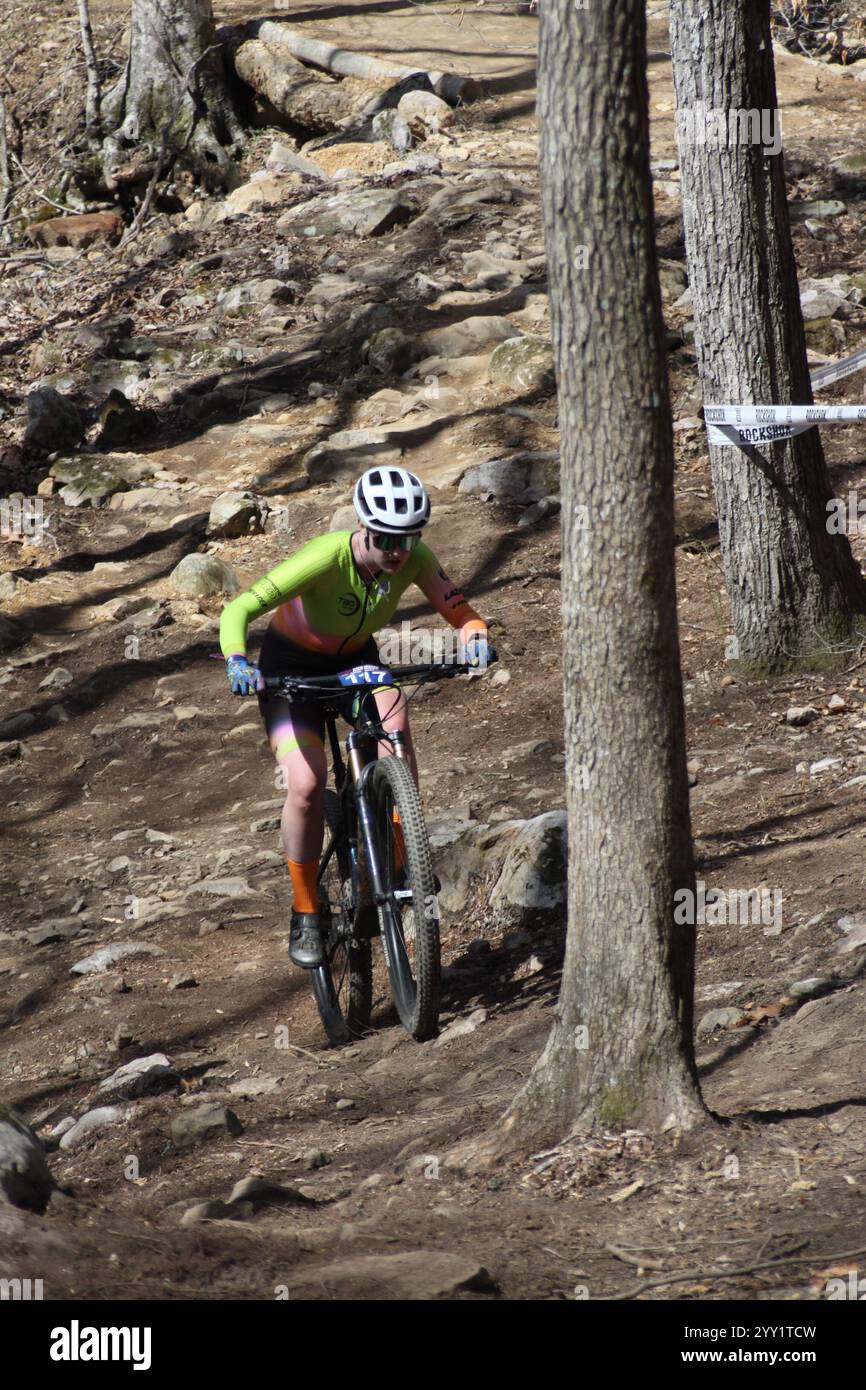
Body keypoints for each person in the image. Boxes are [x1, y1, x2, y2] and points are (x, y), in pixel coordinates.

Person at [219, 466, 493, 968]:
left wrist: (473, 636)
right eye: (388, 538)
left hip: (356, 666)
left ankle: (399, 856)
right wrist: (238, 661)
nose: (399, 550)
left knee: (396, 717)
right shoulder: (324, 557)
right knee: (305, 784)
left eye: (409, 538)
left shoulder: (414, 559)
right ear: (366, 527)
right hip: (290, 674)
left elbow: (463, 612)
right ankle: (305, 908)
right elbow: (238, 610)